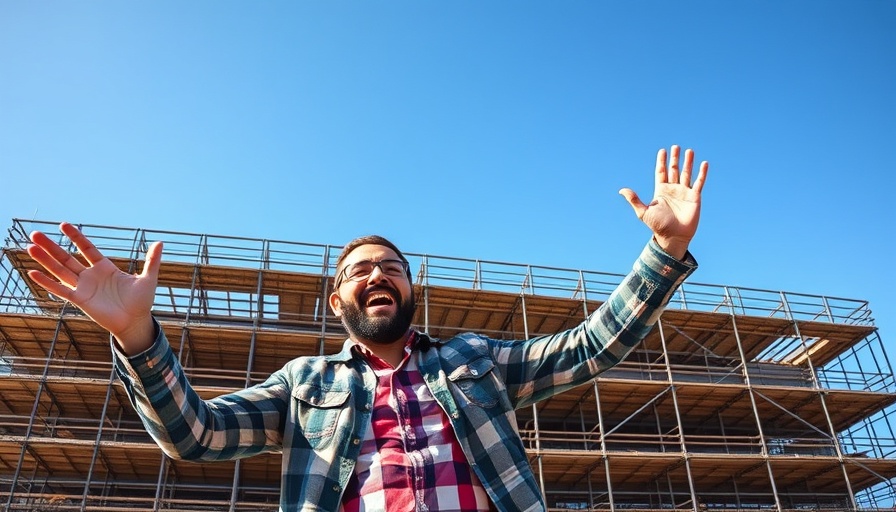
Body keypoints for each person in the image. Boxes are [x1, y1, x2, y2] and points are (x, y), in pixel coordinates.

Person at [27, 146, 708, 512]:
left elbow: (589, 348)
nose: (377, 275)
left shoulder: (477, 359)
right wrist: (138, 337)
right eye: (359, 270)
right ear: (335, 301)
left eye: (392, 267)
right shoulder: (304, 385)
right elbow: (193, 435)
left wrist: (664, 254)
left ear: (411, 288)